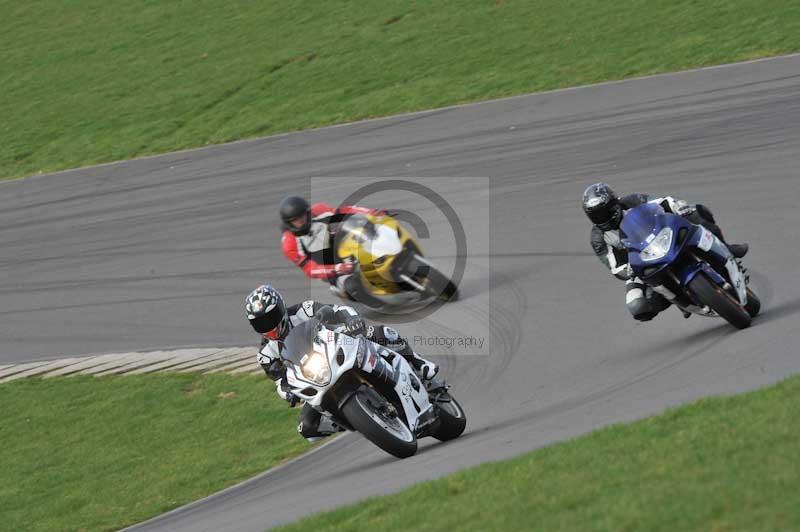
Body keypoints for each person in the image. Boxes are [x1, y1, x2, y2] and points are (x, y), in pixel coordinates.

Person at [244, 284, 439, 441]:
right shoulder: (266, 354)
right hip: (315, 377)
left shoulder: (304, 310)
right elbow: (279, 380)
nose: (268, 325)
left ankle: (419, 363)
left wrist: (351, 320)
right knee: (307, 428)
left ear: (281, 308)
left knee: (379, 333)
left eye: (271, 317)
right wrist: (287, 392)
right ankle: (352, 420)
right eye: (261, 323)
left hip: (337, 348)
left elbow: (336, 310)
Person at [582, 182, 749, 322]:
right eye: (596, 216)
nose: (601, 218)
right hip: (639, 263)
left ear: (614, 203)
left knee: (697, 211)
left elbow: (661, 202)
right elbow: (612, 264)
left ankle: (726, 248)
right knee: (637, 306)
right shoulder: (598, 237)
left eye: (604, 212)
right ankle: (680, 300)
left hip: (663, 238)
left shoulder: (631, 201)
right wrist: (625, 270)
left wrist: (678, 206)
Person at [279, 195, 386, 305]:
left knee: (365, 228)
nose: (300, 221)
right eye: (295, 220)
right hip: (330, 268)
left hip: (341, 246)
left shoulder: (318, 210)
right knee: (351, 287)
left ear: (307, 212)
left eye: (302, 216)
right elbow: (310, 269)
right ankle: (383, 306)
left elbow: (345, 211)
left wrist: (372, 213)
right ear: (288, 223)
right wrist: (337, 269)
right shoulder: (289, 244)